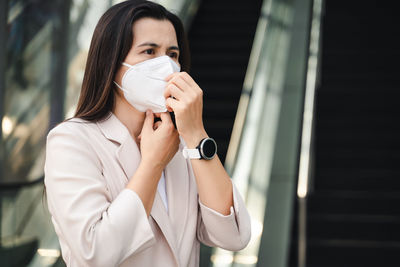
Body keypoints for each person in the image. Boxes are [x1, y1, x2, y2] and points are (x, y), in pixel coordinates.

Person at [44, 1, 251, 266]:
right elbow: (95, 252)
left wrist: (196, 134)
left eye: (173, 54)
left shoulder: (182, 145)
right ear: (111, 61)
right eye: (149, 51)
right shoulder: (72, 141)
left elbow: (234, 236)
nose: (165, 65)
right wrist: (153, 163)